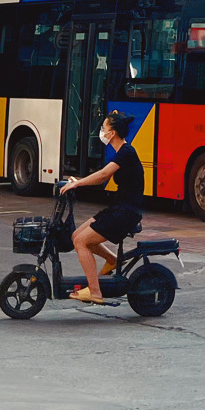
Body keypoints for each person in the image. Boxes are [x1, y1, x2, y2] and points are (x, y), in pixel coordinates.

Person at [57, 111, 145, 304]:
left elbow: (104, 175)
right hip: (118, 208)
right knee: (76, 236)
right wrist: (77, 181)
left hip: (125, 213)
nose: (101, 132)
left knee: (81, 243)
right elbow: (102, 174)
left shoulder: (126, 152)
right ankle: (113, 260)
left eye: (104, 128)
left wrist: (77, 184)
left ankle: (95, 292)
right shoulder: (122, 152)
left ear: (112, 133)